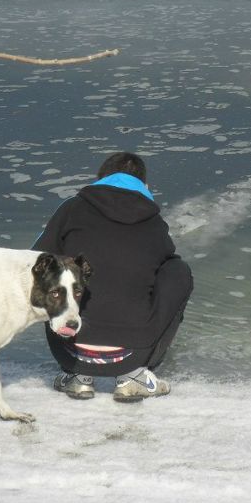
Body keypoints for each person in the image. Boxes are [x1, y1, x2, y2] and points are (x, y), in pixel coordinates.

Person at [34, 152, 193, 402]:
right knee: (177, 270)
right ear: (145, 186)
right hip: (134, 353)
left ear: (100, 179)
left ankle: (78, 377)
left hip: (69, 351)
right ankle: (134, 377)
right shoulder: (154, 221)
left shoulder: (72, 209)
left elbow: (33, 259)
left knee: (48, 269)